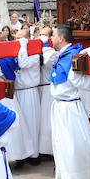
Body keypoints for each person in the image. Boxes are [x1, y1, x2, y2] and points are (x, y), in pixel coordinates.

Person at [43, 24, 90, 179]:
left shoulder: (74, 55)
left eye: (54, 35)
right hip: (60, 107)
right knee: (60, 145)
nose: (51, 38)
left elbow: (82, 82)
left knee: (73, 145)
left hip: (70, 107)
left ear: (61, 38)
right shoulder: (63, 54)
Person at [10, 30, 43, 165]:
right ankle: (21, 155)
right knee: (20, 125)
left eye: (21, 38)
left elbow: (23, 63)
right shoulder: (16, 51)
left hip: (29, 92)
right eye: (16, 38)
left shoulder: (35, 54)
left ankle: (34, 154)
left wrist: (23, 46)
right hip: (18, 91)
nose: (17, 41)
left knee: (31, 123)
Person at [38, 26, 56, 156]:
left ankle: (49, 150)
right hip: (37, 88)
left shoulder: (52, 51)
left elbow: (48, 62)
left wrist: (45, 47)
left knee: (47, 120)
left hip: (48, 87)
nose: (41, 37)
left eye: (44, 35)